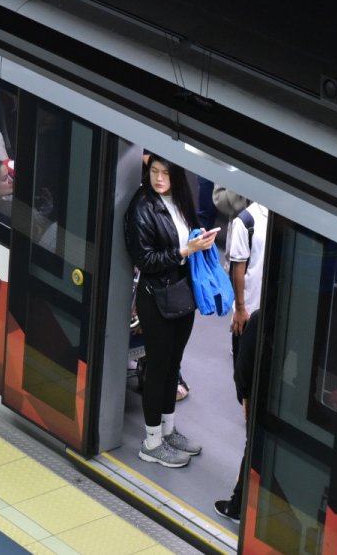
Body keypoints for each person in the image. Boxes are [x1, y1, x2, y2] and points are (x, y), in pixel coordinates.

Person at [124, 154, 216, 468]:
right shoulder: (142, 208)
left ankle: (168, 430)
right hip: (157, 297)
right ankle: (151, 443)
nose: (159, 178)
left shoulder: (180, 201)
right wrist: (185, 251)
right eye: (154, 171)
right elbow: (145, 260)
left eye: (165, 172)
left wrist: (199, 241)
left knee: (173, 366)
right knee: (158, 368)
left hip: (181, 294)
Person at [214, 310, 259, 524]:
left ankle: (238, 506)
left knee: (254, 446)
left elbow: (242, 368)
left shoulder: (259, 319)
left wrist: (245, 396)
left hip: (261, 398)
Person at [227, 201, 268, 367]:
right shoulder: (246, 220)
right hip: (249, 310)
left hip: (272, 310)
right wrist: (240, 309)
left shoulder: (284, 217)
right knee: (242, 369)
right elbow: (238, 267)